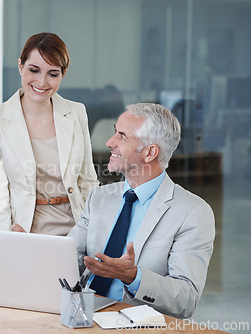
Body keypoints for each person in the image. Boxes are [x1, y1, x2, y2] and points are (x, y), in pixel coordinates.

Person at [68, 103, 215, 318]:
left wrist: (133, 277)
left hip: (135, 323)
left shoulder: (192, 212)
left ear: (150, 153)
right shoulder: (98, 197)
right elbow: (73, 256)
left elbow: (186, 299)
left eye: (122, 136)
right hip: (82, 314)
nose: (110, 142)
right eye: (114, 131)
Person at [0, 33, 98, 236]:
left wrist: (95, 231)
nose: (42, 82)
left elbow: (87, 181)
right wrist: (4, 238)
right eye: (34, 70)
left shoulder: (77, 113)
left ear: (63, 74)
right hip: (25, 232)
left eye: (53, 74)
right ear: (20, 66)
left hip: (77, 229)